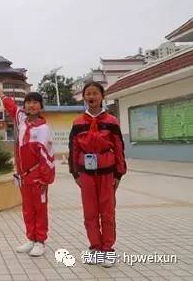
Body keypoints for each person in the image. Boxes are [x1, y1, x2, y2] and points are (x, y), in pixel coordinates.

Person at [68, 81, 126, 268]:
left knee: (107, 212)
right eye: (88, 93)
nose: (91, 96)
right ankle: (95, 248)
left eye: (95, 93)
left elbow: (119, 147)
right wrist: (75, 173)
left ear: (102, 96)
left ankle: (108, 249)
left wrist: (118, 173)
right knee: (90, 212)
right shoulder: (78, 123)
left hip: (108, 173)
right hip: (86, 174)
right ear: (83, 97)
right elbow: (73, 149)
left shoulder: (111, 122)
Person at [0, 85, 55, 257]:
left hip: (38, 177)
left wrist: (45, 179)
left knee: (40, 209)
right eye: (28, 102)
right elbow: (12, 107)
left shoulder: (43, 129)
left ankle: (41, 241)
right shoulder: (22, 121)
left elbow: (48, 157)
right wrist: (1, 94)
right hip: (23, 176)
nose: (31, 105)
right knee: (27, 209)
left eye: (35, 102)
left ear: (41, 107)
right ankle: (31, 239)